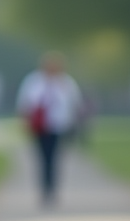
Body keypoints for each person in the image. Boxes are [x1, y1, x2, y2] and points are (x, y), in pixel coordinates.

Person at [16, 52, 84, 206]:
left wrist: (74, 124)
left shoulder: (66, 83)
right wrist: (24, 121)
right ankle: (44, 189)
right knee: (42, 158)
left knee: (54, 158)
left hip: (58, 126)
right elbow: (24, 102)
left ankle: (52, 189)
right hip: (39, 127)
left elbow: (74, 104)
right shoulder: (33, 81)